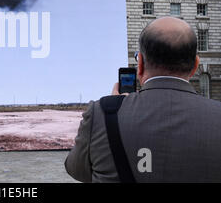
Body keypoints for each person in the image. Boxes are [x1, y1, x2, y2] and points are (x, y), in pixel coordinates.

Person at [65, 17, 221, 182]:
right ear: (195, 65)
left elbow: (76, 170)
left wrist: (112, 111)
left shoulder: (101, 113)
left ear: (140, 66)